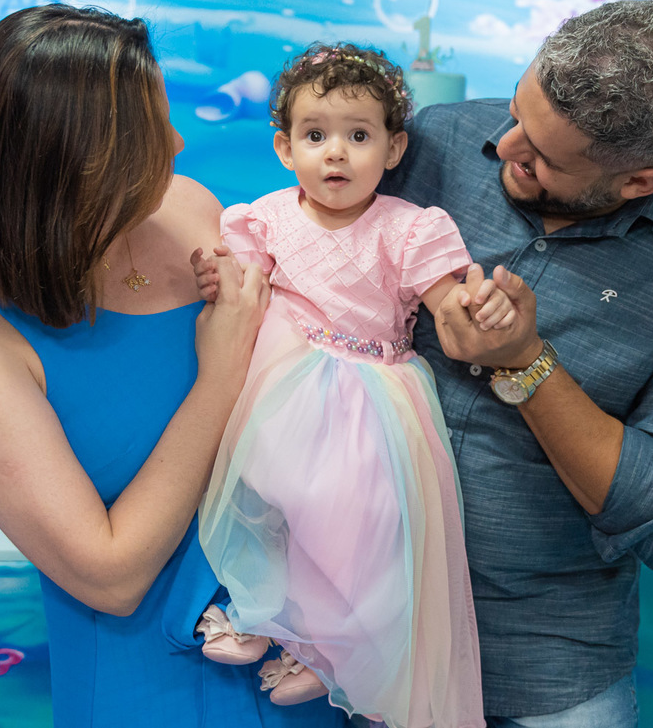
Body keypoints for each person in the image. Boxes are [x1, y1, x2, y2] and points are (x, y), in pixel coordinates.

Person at [0, 4, 345, 728]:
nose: (178, 142)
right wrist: (220, 373)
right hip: (145, 690)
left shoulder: (188, 209)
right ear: (81, 157)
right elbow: (110, 576)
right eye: (152, 131)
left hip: (299, 662)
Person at [379, 0, 653, 727]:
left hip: (542, 664)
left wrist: (527, 364)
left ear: (638, 182)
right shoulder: (435, 141)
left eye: (544, 158)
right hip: (363, 627)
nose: (504, 147)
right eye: (517, 112)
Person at [191, 43, 496, 728]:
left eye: (359, 137)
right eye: (315, 136)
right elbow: (240, 289)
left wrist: (473, 308)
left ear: (393, 149)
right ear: (285, 147)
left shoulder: (411, 228)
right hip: (287, 383)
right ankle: (261, 612)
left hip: (376, 397)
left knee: (365, 525)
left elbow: (446, 304)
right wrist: (217, 278)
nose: (336, 153)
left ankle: (326, 647)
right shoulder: (265, 218)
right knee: (277, 499)